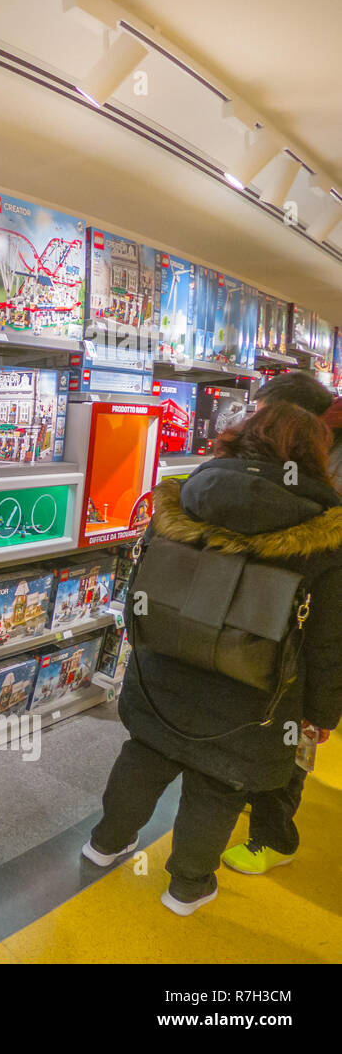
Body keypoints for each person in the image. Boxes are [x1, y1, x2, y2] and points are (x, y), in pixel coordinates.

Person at [83, 400, 342, 915]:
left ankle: (105, 843)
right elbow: (328, 641)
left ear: (240, 437)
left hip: (164, 669)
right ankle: (187, 886)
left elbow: (142, 583)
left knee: (143, 755)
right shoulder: (324, 537)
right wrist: (321, 714)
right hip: (256, 694)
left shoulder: (183, 500)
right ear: (312, 456)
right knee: (220, 784)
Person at [220, 373, 337, 875]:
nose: (253, 417)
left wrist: (325, 710)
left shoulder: (319, 469)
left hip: (308, 626)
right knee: (268, 723)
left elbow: (331, 629)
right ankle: (255, 796)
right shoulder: (277, 463)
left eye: (262, 410)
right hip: (269, 621)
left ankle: (274, 837)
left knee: (294, 738)